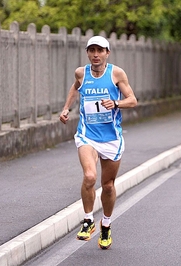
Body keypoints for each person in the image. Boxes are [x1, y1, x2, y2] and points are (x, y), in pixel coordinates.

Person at [59, 36, 137, 250]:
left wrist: (116, 103)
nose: (95, 54)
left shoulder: (116, 73)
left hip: (111, 138)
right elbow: (75, 87)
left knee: (108, 186)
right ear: (87, 53)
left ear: (107, 53)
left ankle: (106, 225)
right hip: (87, 134)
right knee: (89, 176)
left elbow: (132, 99)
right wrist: (66, 108)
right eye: (92, 50)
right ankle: (87, 221)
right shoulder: (81, 73)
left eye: (100, 50)